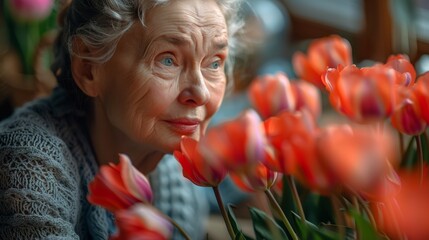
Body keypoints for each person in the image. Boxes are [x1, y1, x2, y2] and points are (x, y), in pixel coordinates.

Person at [0, 0, 245, 239]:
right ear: (88, 69)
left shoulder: (173, 171)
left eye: (214, 63)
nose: (201, 94)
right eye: (167, 60)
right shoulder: (31, 167)